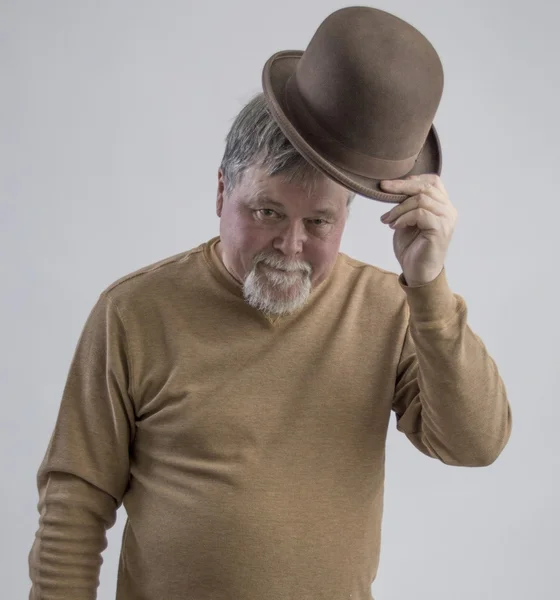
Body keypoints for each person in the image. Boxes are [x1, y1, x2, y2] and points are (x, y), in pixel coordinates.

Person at [28, 8, 513, 599]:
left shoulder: (392, 310)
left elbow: (476, 443)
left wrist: (430, 285)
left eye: (319, 222)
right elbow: (74, 503)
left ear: (347, 217)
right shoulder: (133, 312)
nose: (291, 245)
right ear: (221, 191)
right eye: (267, 213)